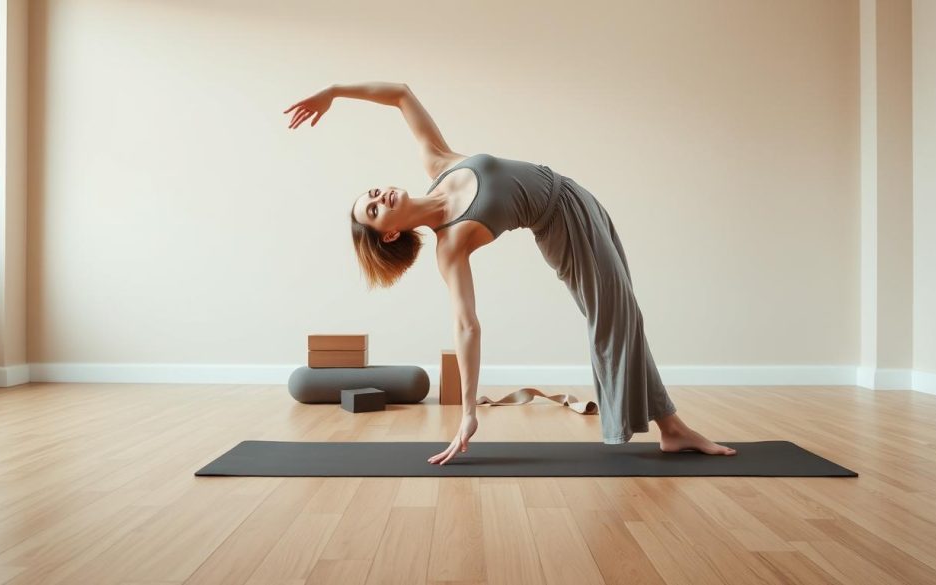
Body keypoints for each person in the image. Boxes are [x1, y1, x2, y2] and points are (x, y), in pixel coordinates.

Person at [284, 81, 737, 465]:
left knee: (627, 315)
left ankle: (671, 428)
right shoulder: (451, 244)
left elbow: (401, 95)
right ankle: (670, 427)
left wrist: (336, 93)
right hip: (561, 227)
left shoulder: (439, 164)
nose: (379, 196)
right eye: (374, 209)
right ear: (387, 234)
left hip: (576, 196)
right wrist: (467, 412)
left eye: (372, 193)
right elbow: (466, 325)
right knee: (616, 321)